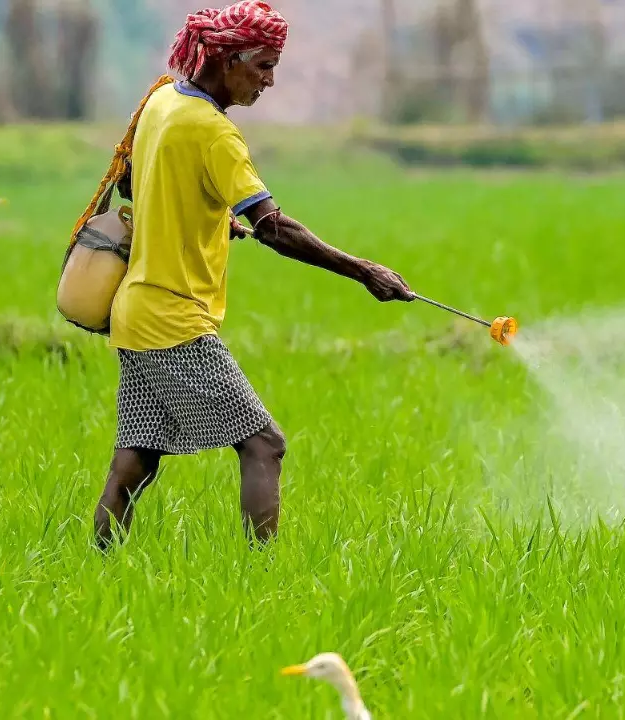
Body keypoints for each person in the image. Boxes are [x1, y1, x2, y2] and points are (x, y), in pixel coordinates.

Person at [91, 1, 414, 550]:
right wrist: (363, 271)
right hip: (174, 317)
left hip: (135, 309)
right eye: (263, 66)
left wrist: (212, 220)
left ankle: (95, 568)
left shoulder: (162, 101)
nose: (269, 81)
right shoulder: (215, 133)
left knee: (136, 459)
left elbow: (133, 186)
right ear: (226, 59)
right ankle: (261, 581)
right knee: (265, 444)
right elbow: (273, 227)